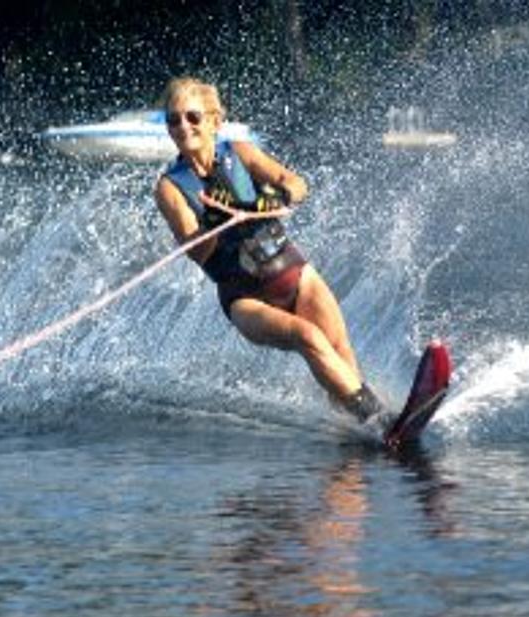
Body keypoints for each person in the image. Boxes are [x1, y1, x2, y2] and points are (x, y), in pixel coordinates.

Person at [153, 76, 384, 424]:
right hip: (244, 297)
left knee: (338, 349)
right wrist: (212, 225)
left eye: (192, 117)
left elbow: (297, 184)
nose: (183, 126)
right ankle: (379, 419)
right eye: (174, 119)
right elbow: (196, 253)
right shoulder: (170, 188)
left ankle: (360, 430)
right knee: (308, 336)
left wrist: (279, 195)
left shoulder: (241, 153)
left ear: (215, 120)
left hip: (292, 270)